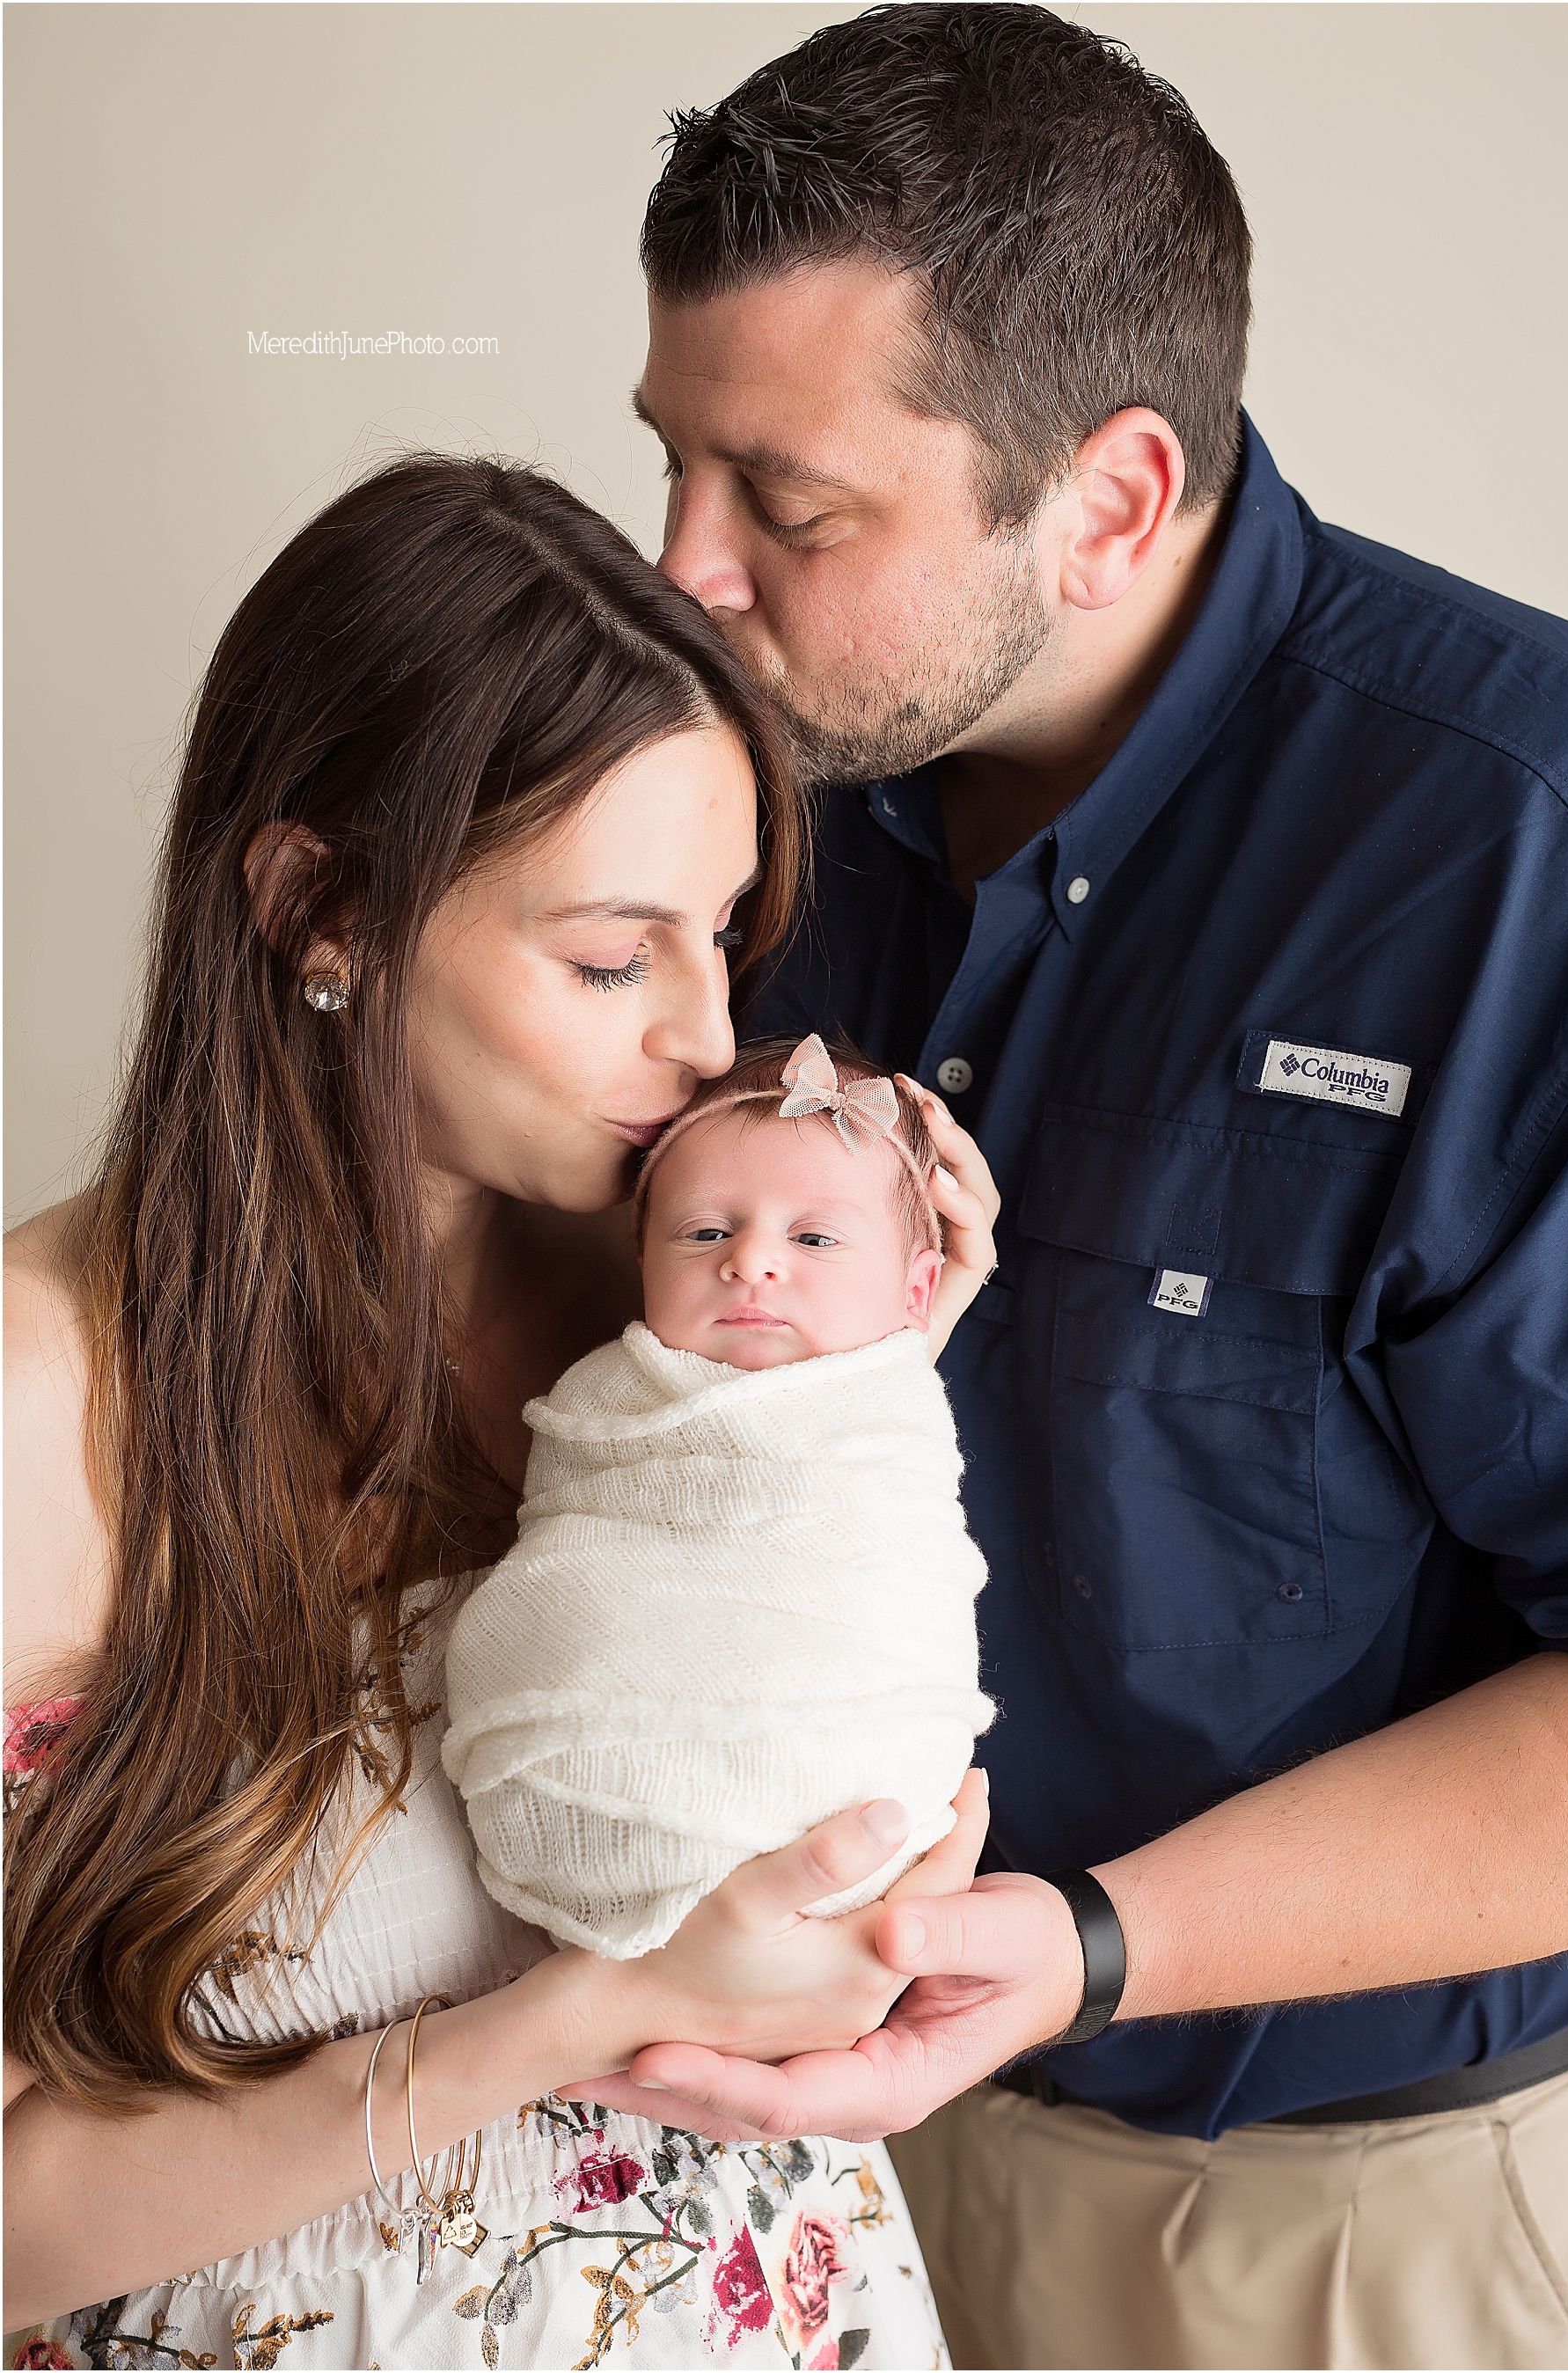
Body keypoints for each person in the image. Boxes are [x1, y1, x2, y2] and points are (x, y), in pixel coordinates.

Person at [575, 8, 1568, 2369]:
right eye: (671, 466)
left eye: (788, 504)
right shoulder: (730, 789)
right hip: (744, 2158)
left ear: (1113, 500)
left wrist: (1093, 1944)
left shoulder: (1522, 858)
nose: (681, 573)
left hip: (1310, 2225)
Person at [2, 454, 1003, 2369]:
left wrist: (867, 1382)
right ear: (322, 908)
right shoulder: (39, 1402)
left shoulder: (688, 1305)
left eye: (724, 930)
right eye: (612, 955)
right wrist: (577, 2015)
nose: (702, 1036)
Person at [443, 1033, 994, 1958]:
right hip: (586, 1766)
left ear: (917, 1292)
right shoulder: (604, 1401)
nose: (750, 1262)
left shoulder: (889, 1415)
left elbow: (885, 1544)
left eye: (814, 1238)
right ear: (642, 1264)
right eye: (705, 1232)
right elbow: (568, 1558)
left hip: (845, 1791)